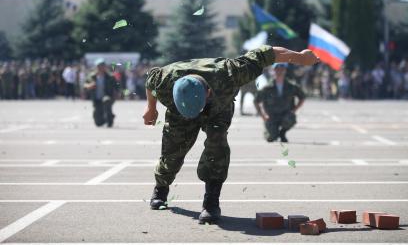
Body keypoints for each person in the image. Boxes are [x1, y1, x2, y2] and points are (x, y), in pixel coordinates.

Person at [143, 45, 318, 224]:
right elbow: (150, 80)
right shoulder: (164, 80)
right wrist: (151, 108)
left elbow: (268, 53)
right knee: (172, 151)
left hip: (218, 108)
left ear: (208, 92)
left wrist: (300, 58)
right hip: (179, 112)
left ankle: (211, 201)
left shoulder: (230, 72)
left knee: (217, 146)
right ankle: (161, 189)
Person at [254, 63, 305, 143]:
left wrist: (294, 110)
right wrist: (263, 115)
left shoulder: (291, 86)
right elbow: (256, 101)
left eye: (282, 69)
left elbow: (302, 97)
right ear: (274, 70)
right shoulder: (267, 87)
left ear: (285, 70)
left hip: (285, 114)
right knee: (271, 138)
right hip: (272, 116)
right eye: (277, 69)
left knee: (290, 118)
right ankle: (270, 131)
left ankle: (282, 133)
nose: (280, 71)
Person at [84, 58, 117, 127]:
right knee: (98, 123)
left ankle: (109, 121)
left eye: (102, 65)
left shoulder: (110, 77)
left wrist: (115, 95)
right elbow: (85, 85)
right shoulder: (92, 76)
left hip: (107, 97)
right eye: (99, 66)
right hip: (96, 99)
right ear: (96, 67)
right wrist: (89, 86)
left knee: (106, 100)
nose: (101, 67)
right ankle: (109, 116)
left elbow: (116, 87)